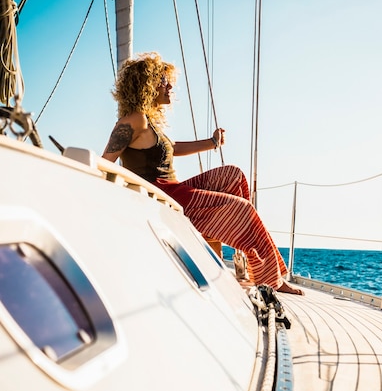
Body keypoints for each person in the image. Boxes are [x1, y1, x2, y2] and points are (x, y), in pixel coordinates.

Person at [102, 52, 302, 295]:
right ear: (147, 84)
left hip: (174, 191)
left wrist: (212, 142)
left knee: (233, 176)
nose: (169, 86)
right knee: (243, 209)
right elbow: (106, 162)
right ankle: (271, 280)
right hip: (162, 198)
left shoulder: (149, 122)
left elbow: (171, 148)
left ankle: (232, 255)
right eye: (163, 80)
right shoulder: (134, 121)